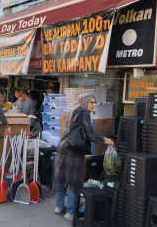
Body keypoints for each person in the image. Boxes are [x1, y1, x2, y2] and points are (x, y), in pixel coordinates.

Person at [54, 93, 115, 221]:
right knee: (74, 180)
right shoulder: (84, 113)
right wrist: (106, 140)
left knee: (62, 177)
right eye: (91, 102)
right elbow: (91, 135)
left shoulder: (73, 110)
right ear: (85, 101)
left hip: (63, 147)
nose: (94, 105)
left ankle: (59, 207)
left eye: (94, 102)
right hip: (74, 150)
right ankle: (70, 212)